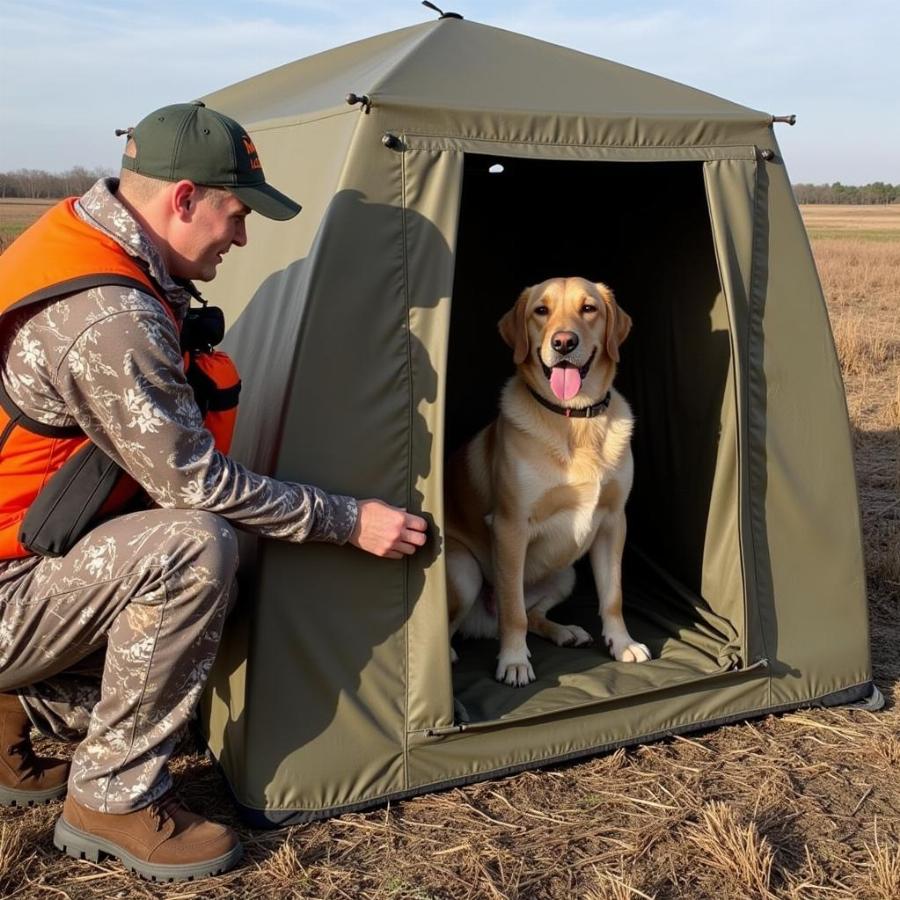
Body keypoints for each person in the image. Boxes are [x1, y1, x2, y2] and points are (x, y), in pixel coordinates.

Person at [0, 101, 428, 881]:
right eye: (236, 215)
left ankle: (18, 704)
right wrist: (345, 519)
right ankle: (111, 798)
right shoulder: (109, 318)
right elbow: (193, 482)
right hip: (10, 587)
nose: (242, 236)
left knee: (191, 658)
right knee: (195, 549)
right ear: (185, 198)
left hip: (30, 556)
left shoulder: (94, 243)